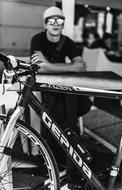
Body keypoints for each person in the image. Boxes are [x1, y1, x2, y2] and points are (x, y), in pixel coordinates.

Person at [30, 6, 92, 189]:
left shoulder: (68, 41)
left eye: (59, 20)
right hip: (45, 89)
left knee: (80, 105)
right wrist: (68, 66)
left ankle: (70, 159)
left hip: (64, 88)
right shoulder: (38, 39)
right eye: (51, 20)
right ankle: (59, 160)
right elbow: (39, 68)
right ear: (45, 24)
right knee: (55, 115)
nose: (56, 23)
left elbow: (80, 66)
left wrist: (50, 64)